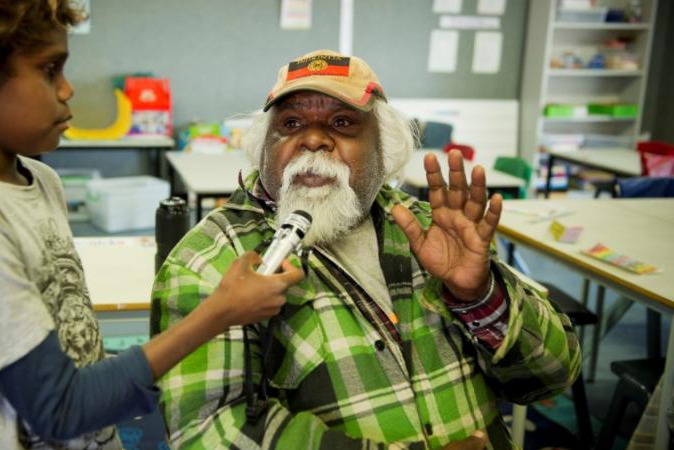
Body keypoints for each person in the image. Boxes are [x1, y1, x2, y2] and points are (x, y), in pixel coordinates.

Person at [0, 2, 303, 449]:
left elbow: (65, 345)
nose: (67, 89)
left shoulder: (39, 179)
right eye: (49, 70)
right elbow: (61, 408)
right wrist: (222, 311)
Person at [151, 49, 582, 449]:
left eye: (342, 123)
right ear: (263, 148)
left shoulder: (433, 229)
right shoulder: (208, 260)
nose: (314, 140)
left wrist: (480, 296)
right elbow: (206, 432)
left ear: (384, 149)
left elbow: (553, 376)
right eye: (291, 124)